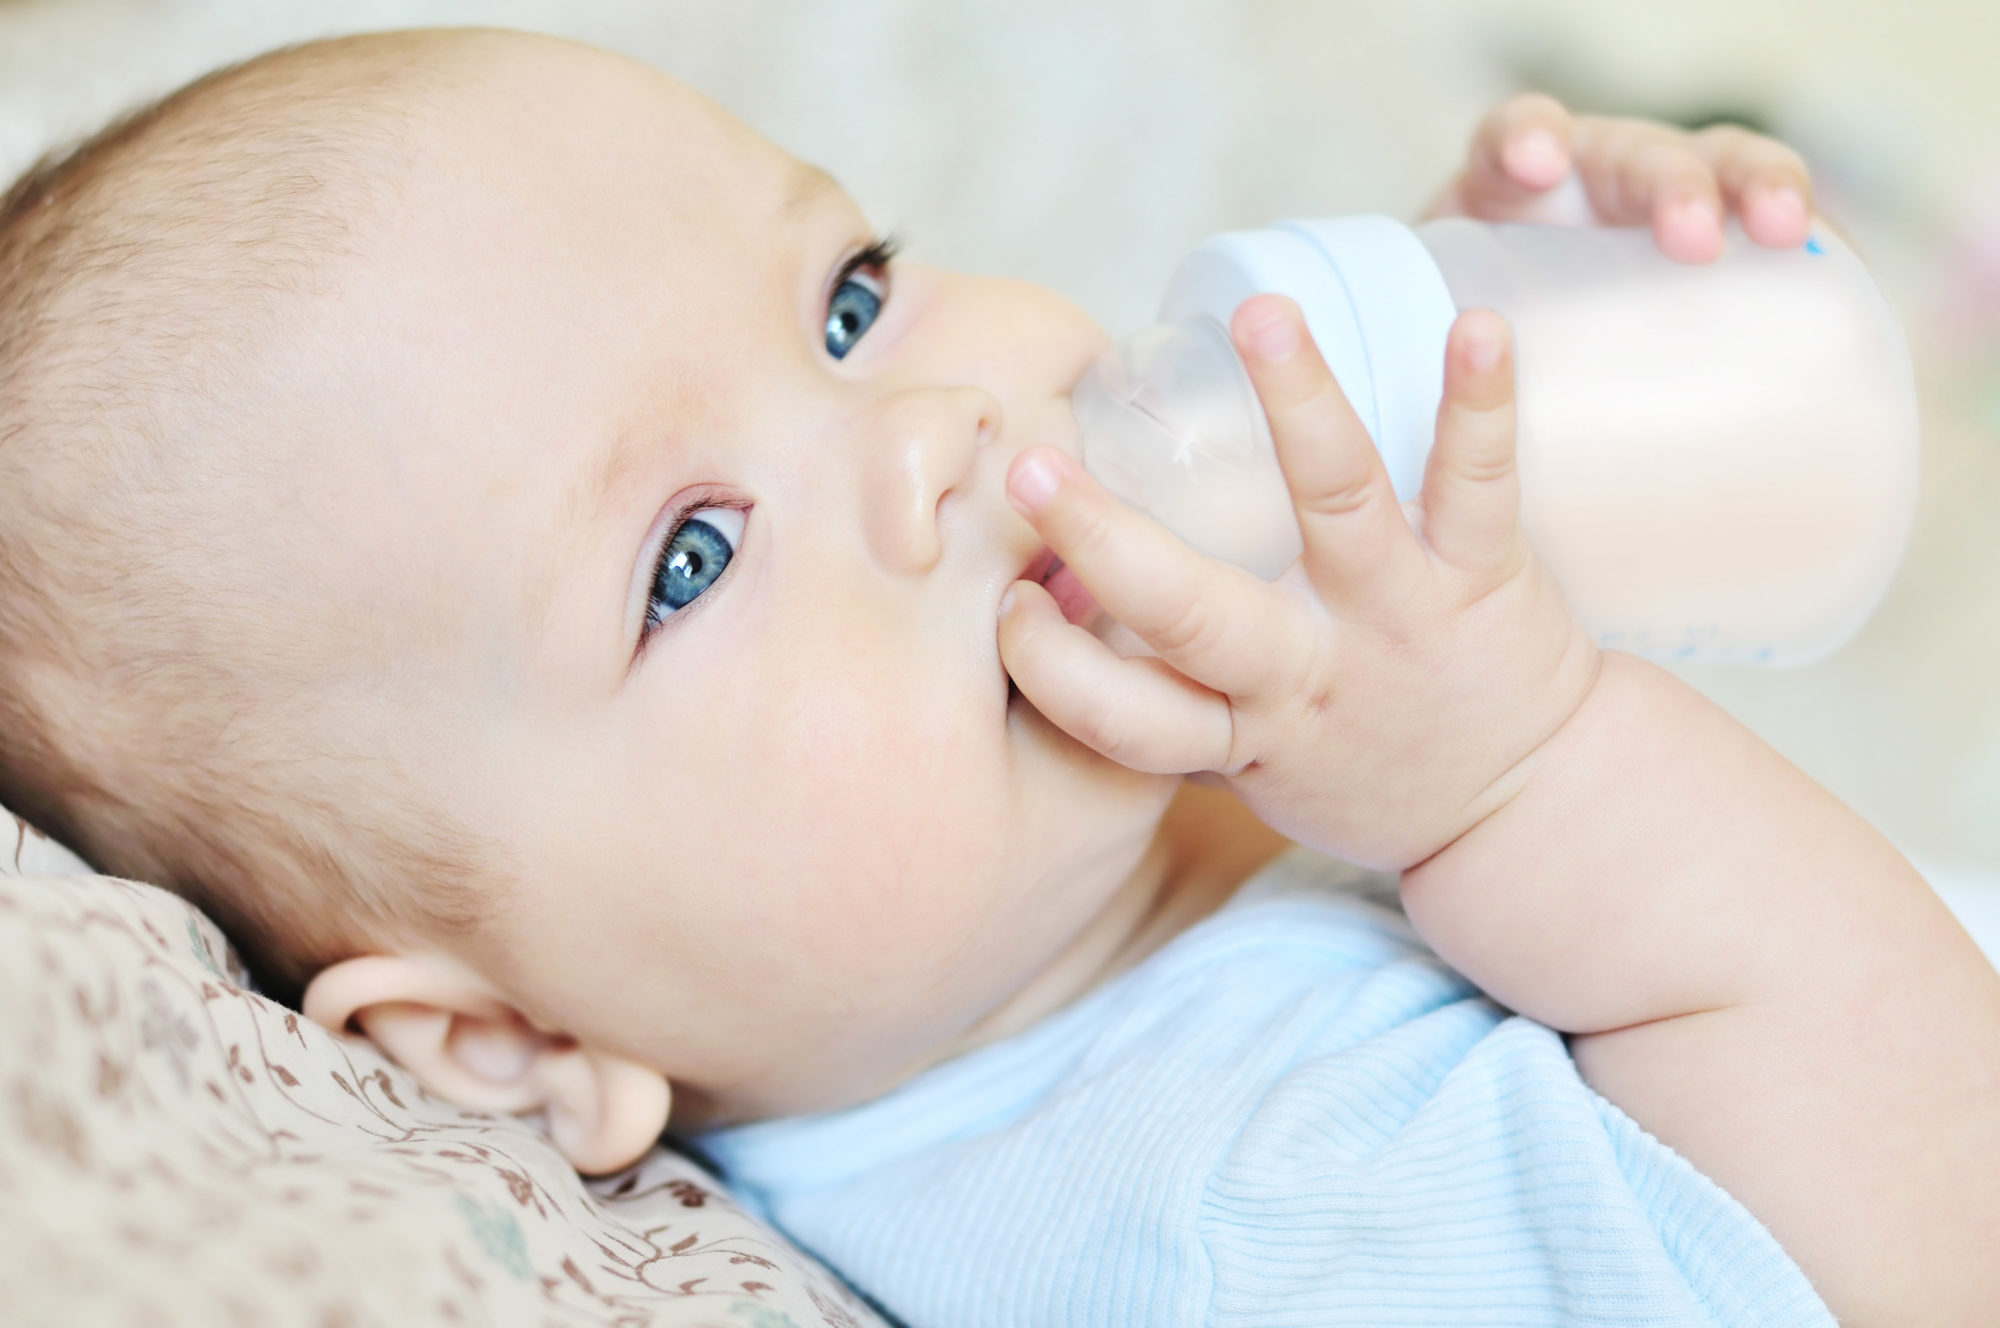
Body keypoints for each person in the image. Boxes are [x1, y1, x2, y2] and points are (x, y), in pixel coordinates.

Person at [0, 28, 1992, 1326]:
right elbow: (1932, 1227)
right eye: (688, 557)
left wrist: (1468, 370)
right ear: (509, 1047)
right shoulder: (1226, 1219)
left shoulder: (1052, 918)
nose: (932, 428)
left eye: (848, 298)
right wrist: (1521, 772)